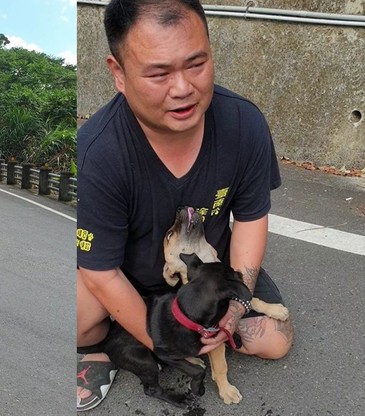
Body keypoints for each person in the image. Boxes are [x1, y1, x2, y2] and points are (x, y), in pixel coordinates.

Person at [76, 0, 294, 411]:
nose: (182, 88)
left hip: (208, 276)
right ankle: (108, 349)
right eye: (159, 72)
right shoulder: (97, 152)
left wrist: (237, 305)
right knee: (79, 325)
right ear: (118, 73)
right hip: (129, 276)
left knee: (274, 340)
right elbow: (100, 271)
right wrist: (169, 340)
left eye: (196, 64)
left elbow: (250, 219)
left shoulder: (244, 124)